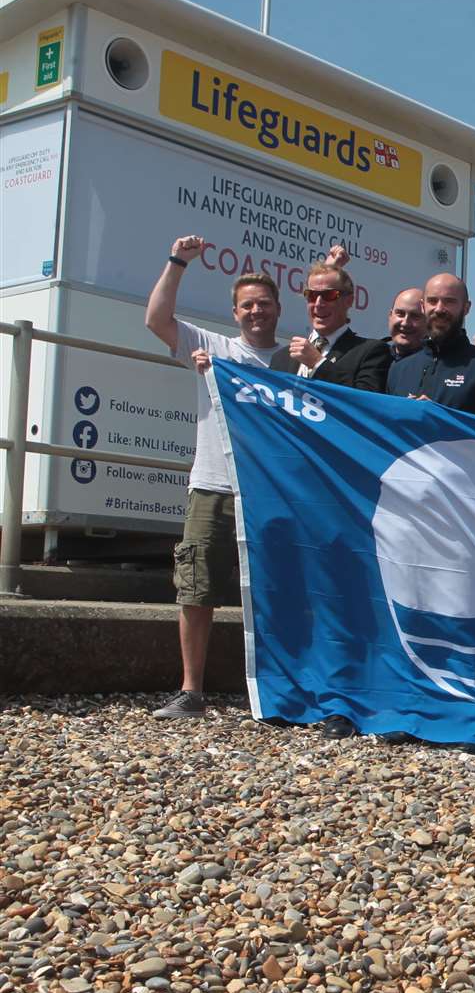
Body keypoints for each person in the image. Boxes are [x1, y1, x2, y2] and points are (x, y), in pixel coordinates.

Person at [144, 235, 287, 719]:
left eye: (263, 304)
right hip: (212, 486)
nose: (255, 312)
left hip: (270, 494)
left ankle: (276, 691)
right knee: (197, 588)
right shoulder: (213, 348)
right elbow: (156, 321)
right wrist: (177, 262)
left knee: (273, 593)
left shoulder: (295, 361)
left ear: (278, 309)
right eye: (247, 305)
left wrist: (311, 365)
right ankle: (191, 691)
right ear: (235, 312)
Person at [386, 273, 475, 422]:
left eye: (449, 301)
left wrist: (442, 417)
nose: (439, 309)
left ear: (466, 308)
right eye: (432, 301)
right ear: (423, 306)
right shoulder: (399, 370)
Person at [272, 247, 391, 389]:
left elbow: (363, 402)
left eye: (329, 296)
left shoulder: (371, 352)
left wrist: (318, 364)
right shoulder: (282, 358)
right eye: (312, 295)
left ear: (349, 301)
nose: (318, 304)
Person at [387, 287, 427, 359]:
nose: (405, 323)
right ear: (390, 316)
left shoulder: (435, 365)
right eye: (400, 314)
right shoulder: (374, 358)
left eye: (415, 316)